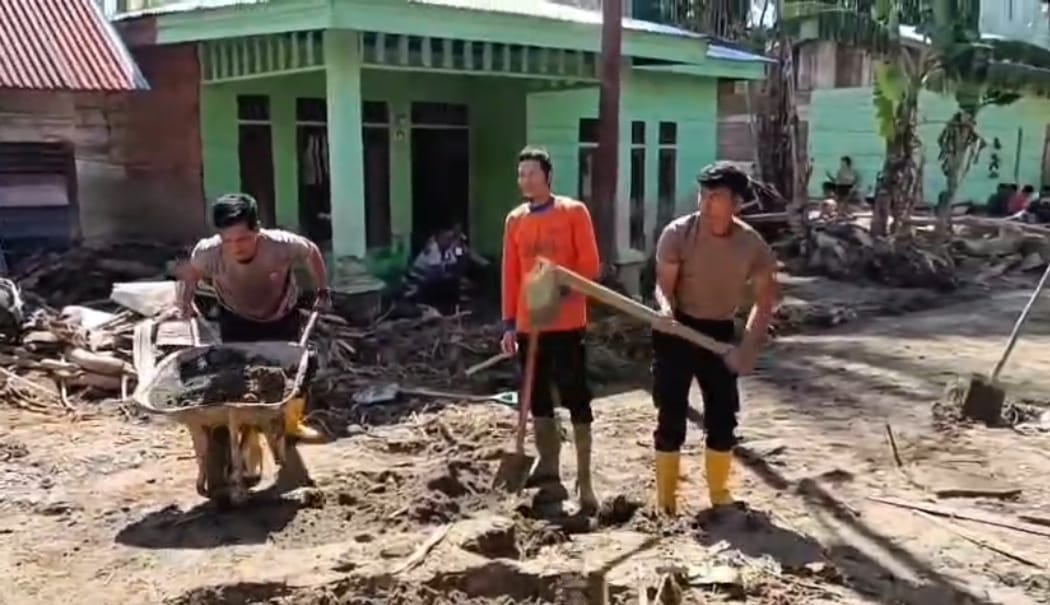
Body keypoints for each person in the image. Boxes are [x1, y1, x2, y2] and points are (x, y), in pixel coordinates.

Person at [651, 162, 780, 516]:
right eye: (703, 194)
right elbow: (663, 286)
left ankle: (720, 494)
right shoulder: (678, 233)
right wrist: (665, 310)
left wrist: (747, 349)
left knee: (723, 416)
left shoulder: (751, 245)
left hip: (720, 332)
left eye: (716, 196)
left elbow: (765, 302)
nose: (706, 203)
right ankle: (665, 501)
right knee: (671, 415)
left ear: (736, 203)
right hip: (677, 329)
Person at [176, 193, 330, 445]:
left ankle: (291, 424)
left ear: (257, 229)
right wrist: (185, 301)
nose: (236, 247)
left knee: (297, 370)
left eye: (243, 239)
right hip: (236, 317)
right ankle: (245, 424)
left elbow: (311, 251)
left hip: (280, 315)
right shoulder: (208, 252)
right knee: (237, 374)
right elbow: (191, 273)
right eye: (228, 240)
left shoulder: (281, 244)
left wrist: (322, 290)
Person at [500, 146, 601, 512]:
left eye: (532, 173)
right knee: (537, 396)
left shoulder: (573, 212)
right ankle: (548, 468)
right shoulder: (515, 220)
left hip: (566, 322)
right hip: (529, 325)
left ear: (548, 176)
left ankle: (584, 480)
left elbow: (589, 266)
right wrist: (509, 323)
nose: (525, 180)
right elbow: (511, 274)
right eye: (521, 174)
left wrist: (557, 292)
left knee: (576, 395)